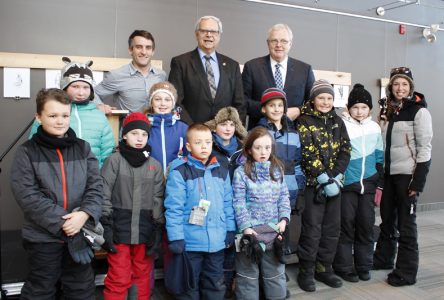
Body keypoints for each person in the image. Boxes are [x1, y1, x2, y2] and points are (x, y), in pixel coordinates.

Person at [11, 88, 103, 300]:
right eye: (53, 116)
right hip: (43, 237)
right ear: (39, 117)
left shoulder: (83, 148)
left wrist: (83, 215)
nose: (60, 121)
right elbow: (27, 195)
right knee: (40, 289)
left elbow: (96, 186)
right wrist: (63, 222)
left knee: (81, 289)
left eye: (65, 115)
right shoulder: (27, 152)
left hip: (80, 232)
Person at [373, 67, 433, 287]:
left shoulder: (419, 112)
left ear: (411, 87)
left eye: (404, 84)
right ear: (391, 87)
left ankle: (406, 273)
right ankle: (383, 259)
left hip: (408, 176)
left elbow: (425, 149)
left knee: (407, 225)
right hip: (389, 176)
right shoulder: (389, 111)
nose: (400, 88)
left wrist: (418, 182)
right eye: (396, 84)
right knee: (387, 220)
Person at [164, 123, 236, 299]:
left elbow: (228, 202)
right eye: (198, 143)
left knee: (215, 284)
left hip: (217, 242)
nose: (204, 146)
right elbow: (173, 208)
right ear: (188, 146)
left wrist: (230, 229)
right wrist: (176, 237)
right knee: (189, 285)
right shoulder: (180, 171)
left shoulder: (221, 170)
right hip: (190, 243)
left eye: (208, 142)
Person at [100, 112, 165, 299]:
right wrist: (106, 223)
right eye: (134, 133)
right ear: (124, 135)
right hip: (119, 229)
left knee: (142, 274)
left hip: (145, 231)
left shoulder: (154, 165)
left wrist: (157, 227)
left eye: (144, 134)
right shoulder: (114, 161)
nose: (139, 138)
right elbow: (104, 193)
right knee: (119, 276)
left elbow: (157, 197)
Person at [296, 79, 351, 292]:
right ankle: (306, 270)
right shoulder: (304, 120)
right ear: (313, 99)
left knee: (331, 229)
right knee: (312, 229)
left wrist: (335, 176)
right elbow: (307, 152)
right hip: (314, 185)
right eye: (321, 98)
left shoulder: (338, 121)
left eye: (329, 98)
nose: (325, 102)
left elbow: (346, 150)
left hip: (335, 185)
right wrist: (322, 177)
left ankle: (323, 268)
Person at [232, 127, 291, 300]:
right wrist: (246, 228)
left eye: (267, 147)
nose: (263, 152)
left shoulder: (277, 170)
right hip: (251, 234)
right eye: (258, 148)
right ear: (249, 149)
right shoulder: (241, 173)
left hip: (274, 231)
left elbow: (283, 197)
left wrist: (284, 220)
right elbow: (238, 202)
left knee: (275, 274)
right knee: (247, 276)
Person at [333, 84, 384, 283]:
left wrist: (378, 179)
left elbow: (379, 155)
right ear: (349, 108)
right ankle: (344, 267)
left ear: (369, 109)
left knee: (366, 226)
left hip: (368, 186)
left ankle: (364, 265)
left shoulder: (375, 127)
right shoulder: (343, 124)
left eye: (363, 107)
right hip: (348, 186)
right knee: (346, 226)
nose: (359, 111)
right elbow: (338, 153)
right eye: (355, 107)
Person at [29, 57, 115, 167]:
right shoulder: (49, 113)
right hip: (56, 176)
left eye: (85, 87)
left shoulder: (99, 115)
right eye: (75, 86)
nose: (81, 92)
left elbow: (107, 152)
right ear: (64, 87)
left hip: (92, 178)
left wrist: (100, 178)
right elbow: (34, 147)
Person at [168, 16, 246, 125]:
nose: (209, 35)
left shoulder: (232, 66)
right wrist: (192, 128)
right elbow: (175, 102)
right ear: (196, 34)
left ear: (219, 35)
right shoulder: (180, 63)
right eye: (204, 31)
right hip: (192, 133)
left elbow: (240, 104)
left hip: (224, 135)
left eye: (213, 31)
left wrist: (233, 128)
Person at [205, 106, 247, 298]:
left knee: (233, 247)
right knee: (216, 248)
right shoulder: (208, 146)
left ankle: (229, 287)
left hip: (237, 203)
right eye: (223, 124)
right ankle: (215, 288)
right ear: (215, 126)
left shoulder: (242, 148)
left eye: (232, 124)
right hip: (215, 203)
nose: (228, 128)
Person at [242, 23, 315, 129]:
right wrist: (268, 110)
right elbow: (243, 101)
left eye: (284, 41)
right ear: (268, 43)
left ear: (290, 44)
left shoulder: (305, 70)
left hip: (294, 134)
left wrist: (299, 110)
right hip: (259, 134)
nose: (278, 45)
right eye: (274, 40)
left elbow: (312, 103)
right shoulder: (252, 67)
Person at [95, 30, 167, 113]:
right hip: (129, 125)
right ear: (130, 50)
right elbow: (93, 94)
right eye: (139, 47)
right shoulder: (117, 75)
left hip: (156, 125)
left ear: (153, 51)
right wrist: (100, 106)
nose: (144, 52)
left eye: (148, 48)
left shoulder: (161, 75)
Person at [144, 81, 189, 173]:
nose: (162, 104)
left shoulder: (183, 129)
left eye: (167, 100)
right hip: (150, 180)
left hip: (176, 180)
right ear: (151, 102)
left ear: (173, 103)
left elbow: (189, 157)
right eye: (157, 99)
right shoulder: (144, 127)